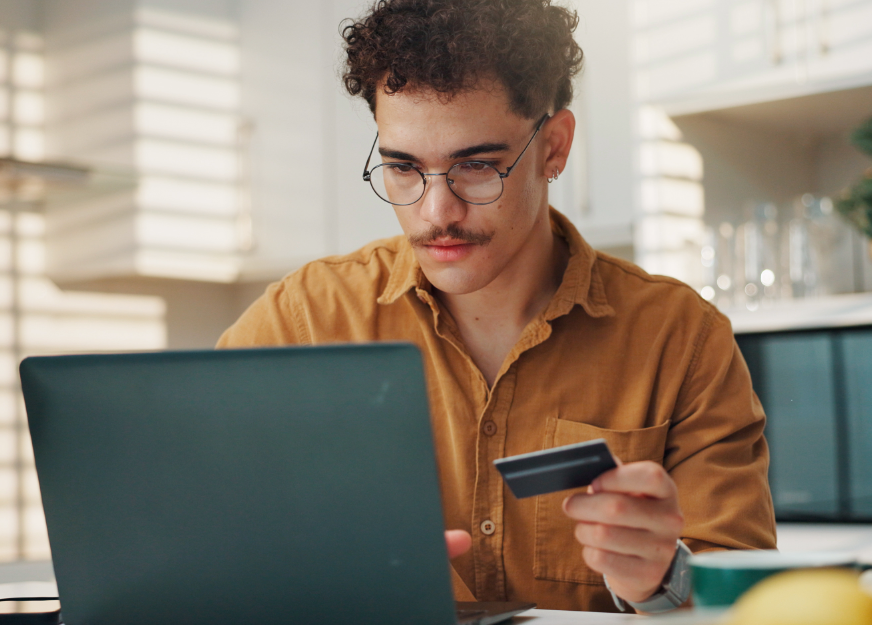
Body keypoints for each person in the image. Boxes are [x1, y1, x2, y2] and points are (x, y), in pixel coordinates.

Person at [217, 0, 776, 613]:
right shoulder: (303, 320)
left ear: (554, 147)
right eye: (403, 168)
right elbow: (195, 520)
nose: (436, 214)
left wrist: (661, 579)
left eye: (477, 167)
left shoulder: (681, 338)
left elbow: (746, 603)